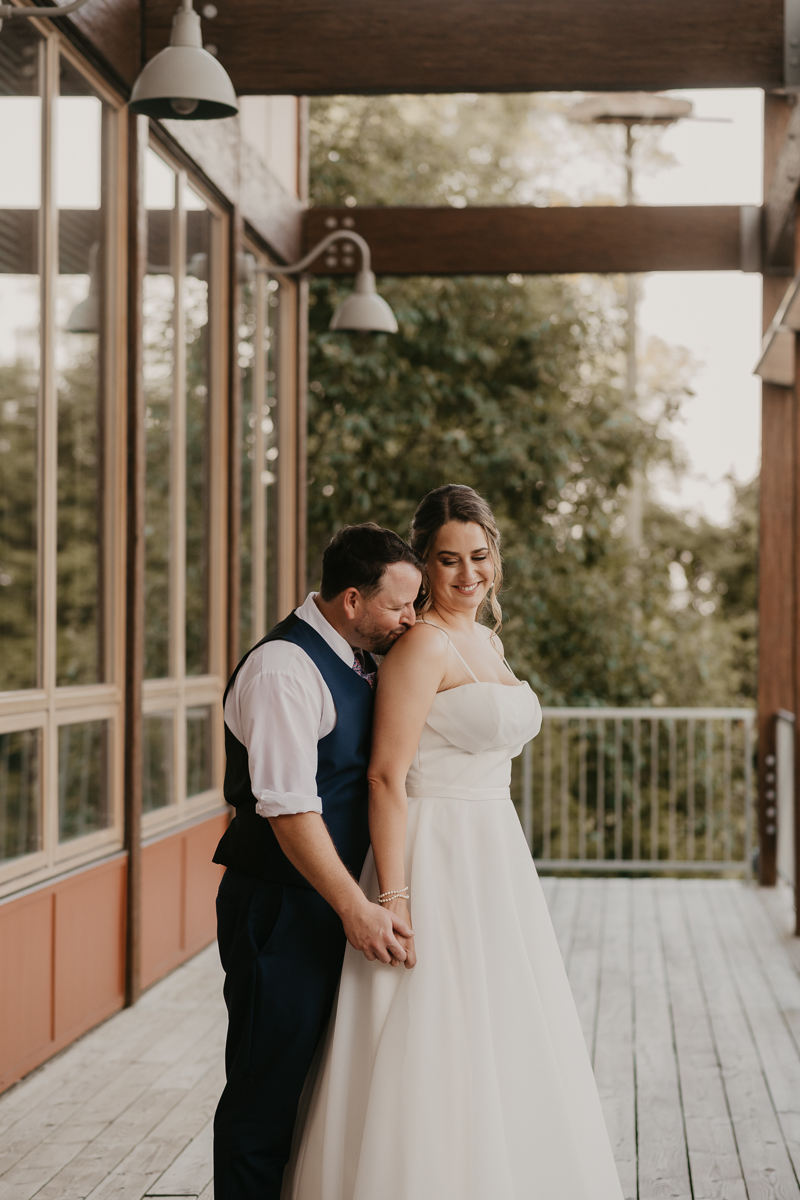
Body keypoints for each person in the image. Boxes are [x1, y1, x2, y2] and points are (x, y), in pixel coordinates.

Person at [284, 485, 624, 1200]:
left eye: (480, 556)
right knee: (429, 1029)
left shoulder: (486, 639)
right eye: (448, 560)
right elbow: (385, 776)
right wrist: (395, 893)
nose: (468, 574)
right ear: (424, 565)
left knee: (499, 1026)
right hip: (432, 847)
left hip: (493, 850)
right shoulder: (422, 646)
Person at [212, 523, 423, 1200]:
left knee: (316, 1087)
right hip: (281, 907)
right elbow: (288, 809)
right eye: (399, 606)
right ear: (353, 600)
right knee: (265, 1089)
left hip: (329, 901)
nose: (410, 619)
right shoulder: (284, 670)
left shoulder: (361, 658)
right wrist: (355, 907)